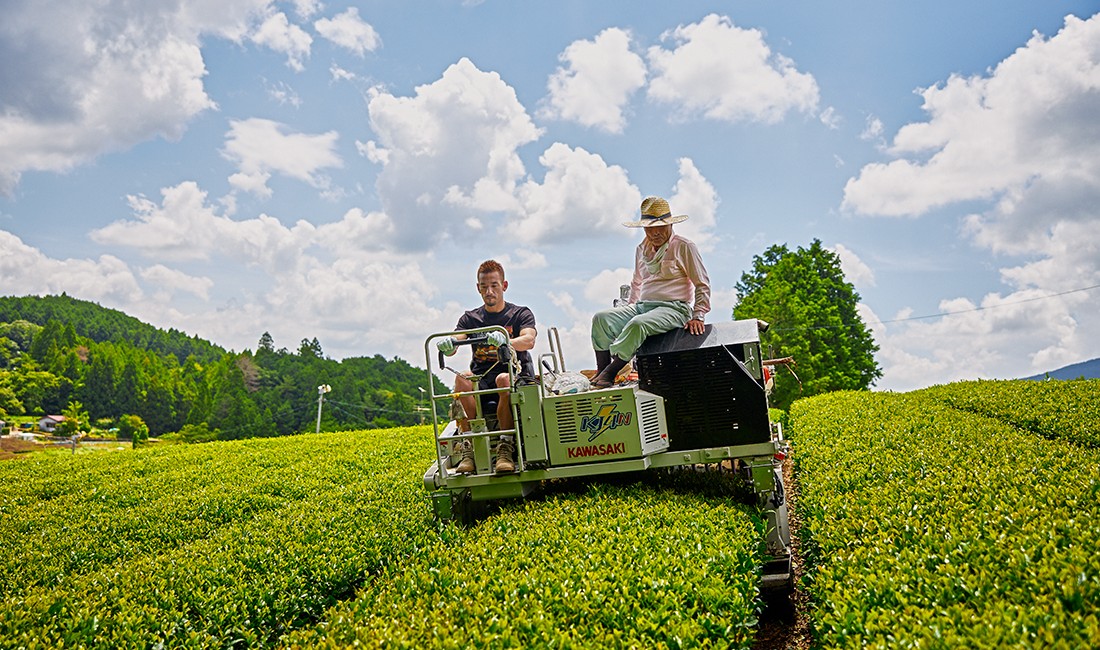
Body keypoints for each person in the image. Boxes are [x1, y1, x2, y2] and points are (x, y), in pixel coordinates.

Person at [590, 196, 711, 388]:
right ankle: (601, 372)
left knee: (638, 324)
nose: (655, 232)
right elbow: (637, 282)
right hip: (642, 306)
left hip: (674, 308)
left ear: (670, 225)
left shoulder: (684, 246)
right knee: (601, 318)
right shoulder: (641, 249)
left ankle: (611, 372)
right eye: (649, 228)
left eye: (660, 227)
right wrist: (628, 308)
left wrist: (699, 315)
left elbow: (702, 283)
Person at [437, 260, 537, 474]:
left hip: (515, 375)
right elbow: (458, 338)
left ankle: (505, 447)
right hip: (483, 378)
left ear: (504, 285)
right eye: (484, 287)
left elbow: (529, 339)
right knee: (462, 379)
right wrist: (449, 345)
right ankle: (469, 448)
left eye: (494, 285)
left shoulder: (520, 314)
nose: (489, 291)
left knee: (503, 379)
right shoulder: (471, 318)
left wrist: (506, 341)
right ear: (478, 288)